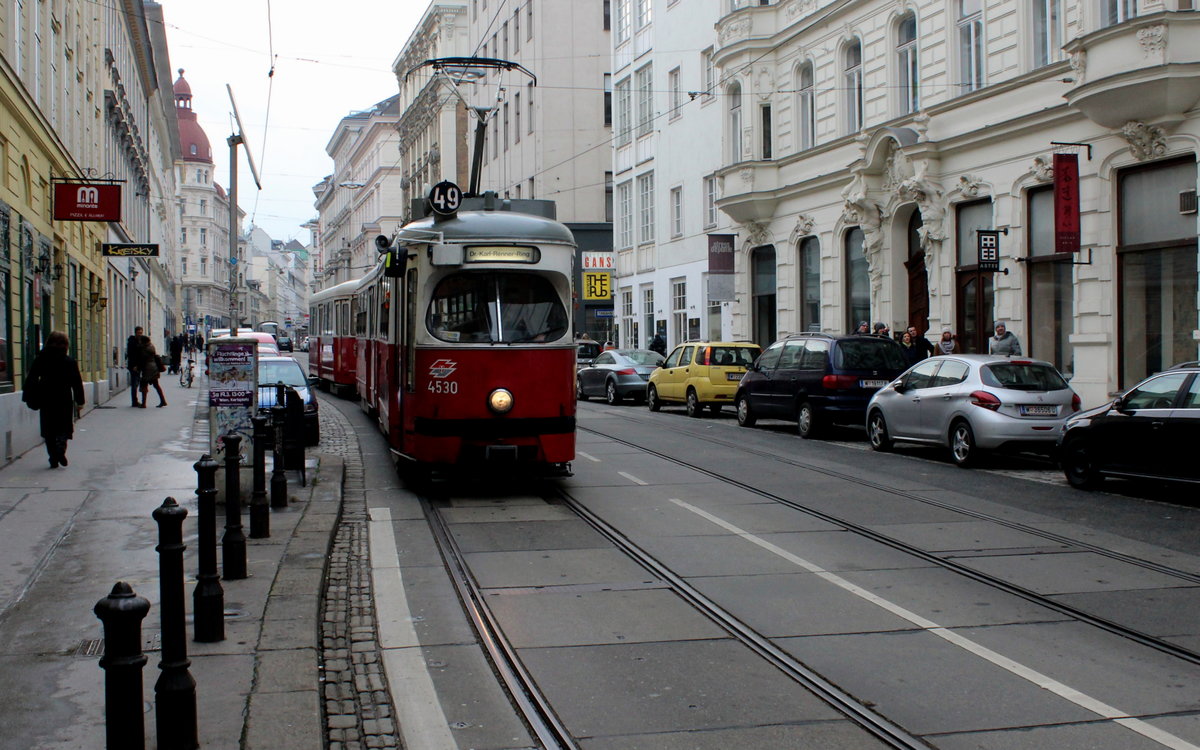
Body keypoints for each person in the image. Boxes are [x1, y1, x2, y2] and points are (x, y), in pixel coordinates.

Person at [22, 331, 85, 468]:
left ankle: (53, 457)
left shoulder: (41, 359)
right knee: (64, 426)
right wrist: (80, 401)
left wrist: (27, 395)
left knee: (48, 428)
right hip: (64, 398)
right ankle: (61, 448)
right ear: (66, 345)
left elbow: (32, 377)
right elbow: (77, 382)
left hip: (46, 397)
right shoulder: (69, 361)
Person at [139, 342, 168, 408]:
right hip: (154, 368)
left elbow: (142, 360)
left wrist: (138, 367)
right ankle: (163, 400)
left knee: (144, 386)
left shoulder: (144, 349)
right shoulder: (151, 347)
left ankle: (143, 404)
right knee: (157, 386)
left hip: (147, 369)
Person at [126, 326, 149, 407]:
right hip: (134, 366)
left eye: (141, 333)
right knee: (134, 384)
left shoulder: (140, 342)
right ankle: (134, 401)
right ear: (135, 333)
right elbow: (131, 355)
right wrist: (134, 365)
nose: (140, 334)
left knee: (136, 383)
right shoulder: (132, 342)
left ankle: (135, 401)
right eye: (139, 333)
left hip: (139, 366)